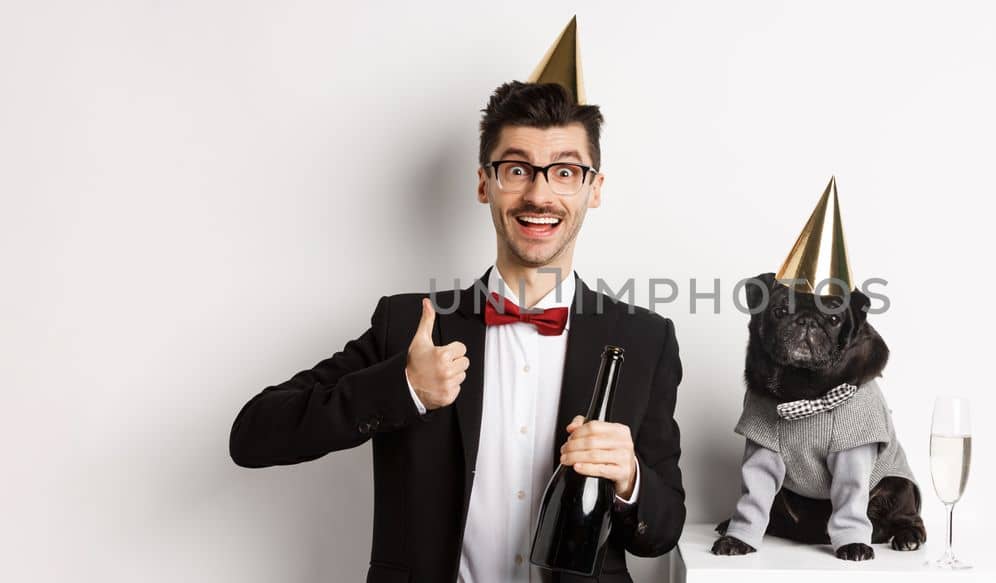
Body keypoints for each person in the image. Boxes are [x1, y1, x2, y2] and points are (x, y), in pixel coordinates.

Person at [228, 81, 685, 582]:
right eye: (516, 170)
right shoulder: (409, 325)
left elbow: (662, 533)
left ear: (593, 189)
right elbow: (253, 436)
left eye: (565, 172)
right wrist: (402, 388)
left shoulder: (646, 340)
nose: (539, 194)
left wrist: (629, 478)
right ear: (484, 183)